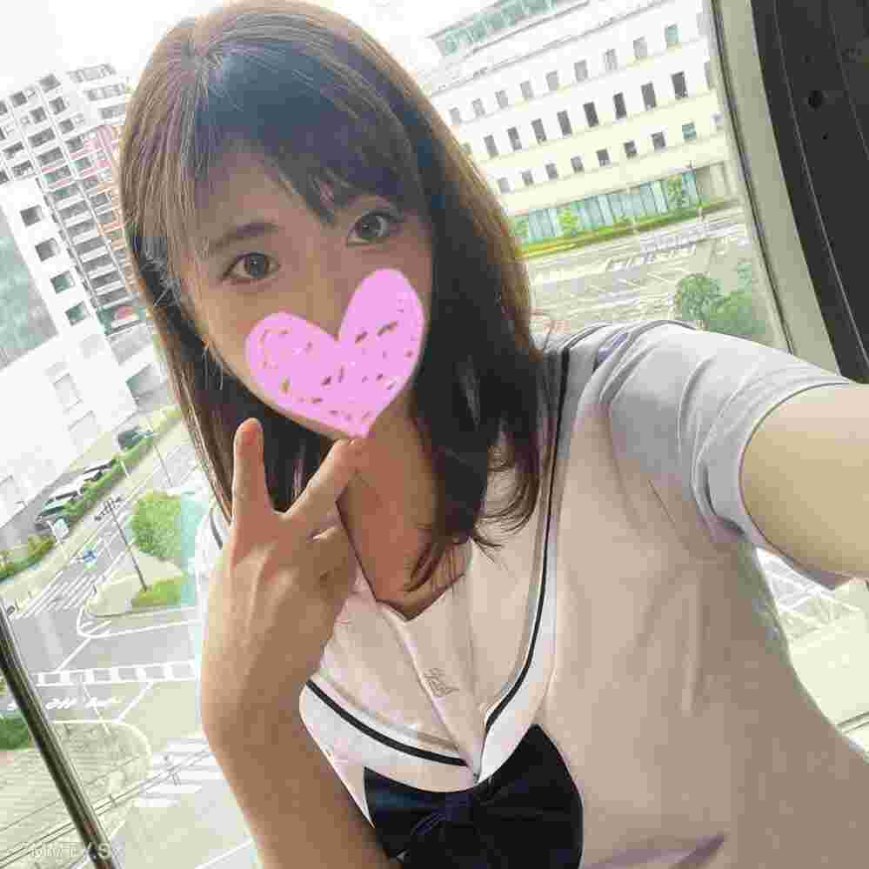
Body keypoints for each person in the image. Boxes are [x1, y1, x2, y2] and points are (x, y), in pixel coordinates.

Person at [118, 1, 869, 866]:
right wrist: (245, 724)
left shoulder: (629, 408)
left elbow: (798, 443)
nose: (331, 306)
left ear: (435, 221)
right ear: (182, 300)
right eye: (253, 264)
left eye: (370, 224)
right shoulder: (246, 572)